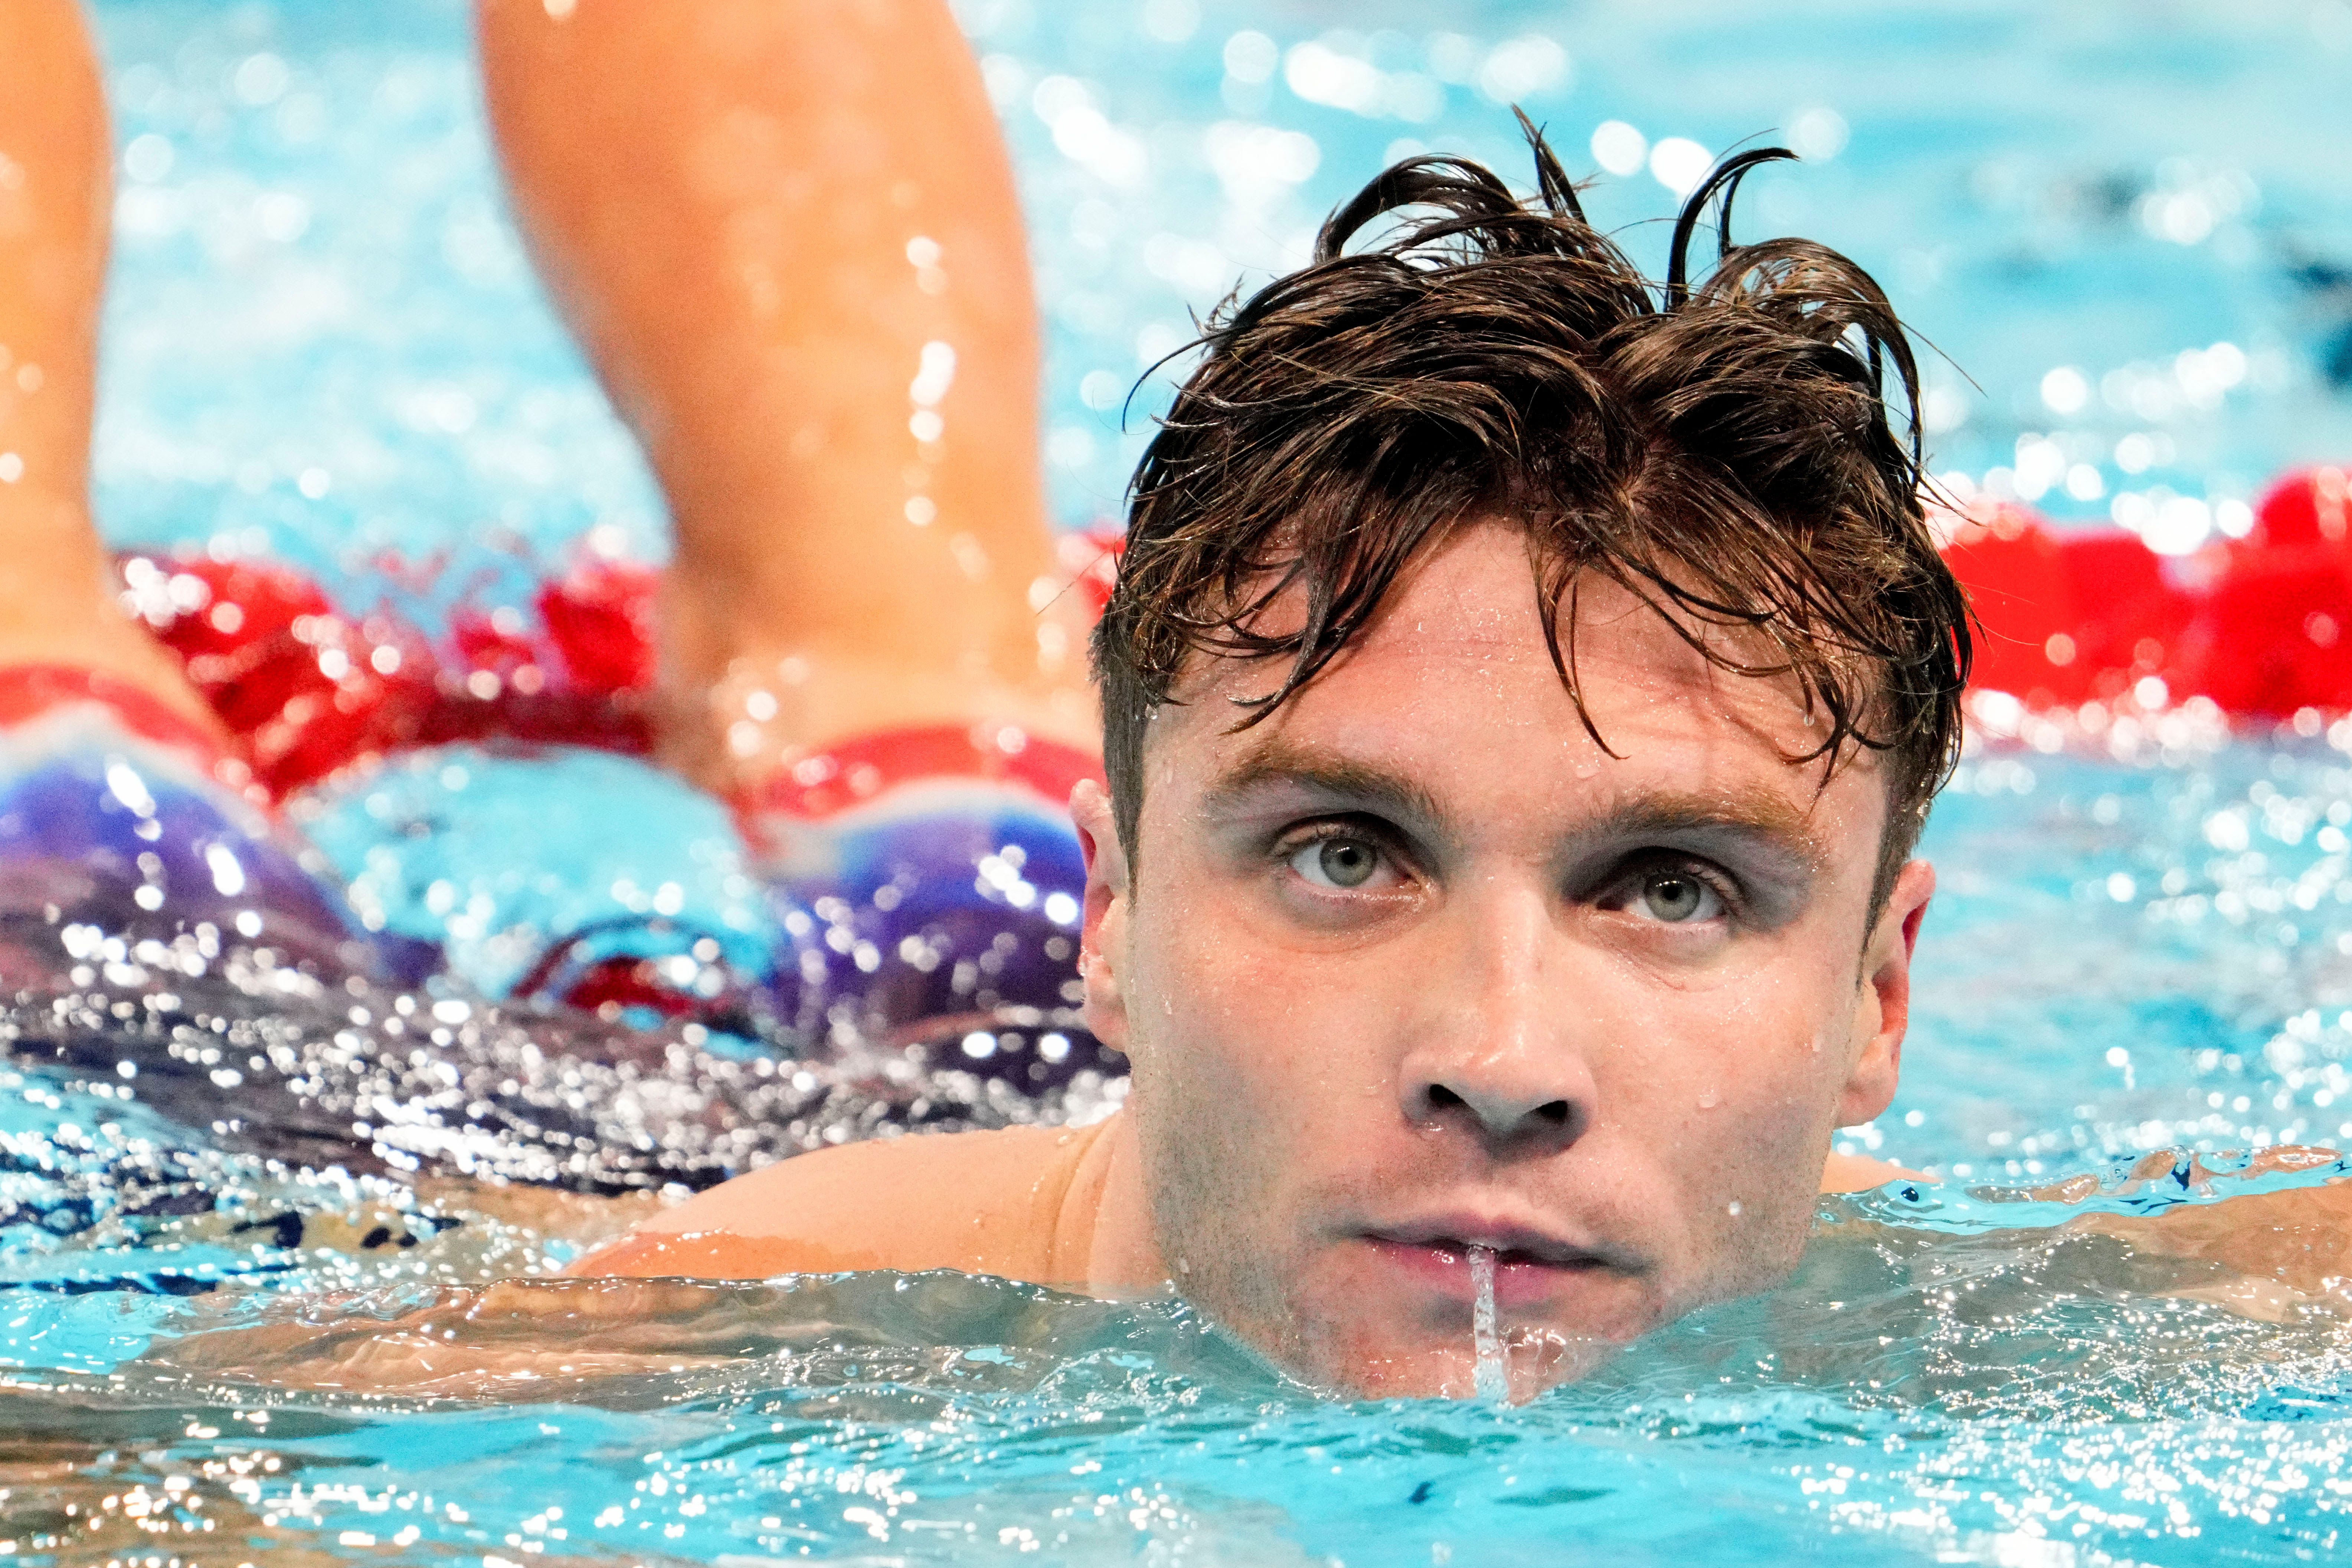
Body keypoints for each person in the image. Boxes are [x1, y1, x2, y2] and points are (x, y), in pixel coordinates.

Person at [6, 0, 2331, 1404]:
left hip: (1155, 1089)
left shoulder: (1993, 1335)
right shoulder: (647, 1349)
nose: (1498, 1055)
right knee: (70, 778)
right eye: (1347, 845)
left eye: (1670, 885)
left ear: (1878, 996)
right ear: (1107, 899)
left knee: (887, 645)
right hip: (348, 1120)